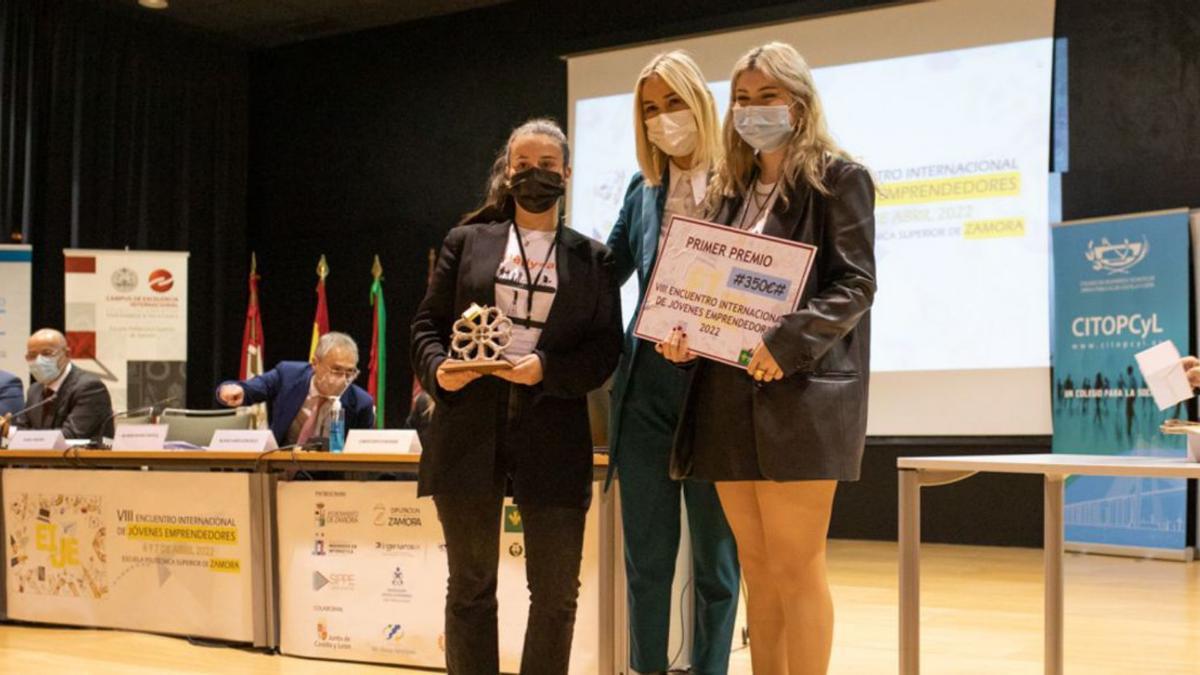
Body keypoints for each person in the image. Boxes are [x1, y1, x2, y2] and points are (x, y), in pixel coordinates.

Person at [660, 42, 876, 675]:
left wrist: (784, 344)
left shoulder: (840, 179)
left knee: (796, 567)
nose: (753, 111)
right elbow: (705, 291)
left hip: (801, 398)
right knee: (757, 570)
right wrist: (683, 337)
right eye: (742, 100)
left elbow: (855, 285)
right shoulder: (729, 191)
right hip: (727, 398)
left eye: (767, 97)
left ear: (799, 103)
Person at [410, 117, 622, 675]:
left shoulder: (594, 260)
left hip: (553, 434)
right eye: (523, 166)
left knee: (556, 596)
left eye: (547, 166)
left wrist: (546, 369)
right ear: (507, 173)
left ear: (568, 174)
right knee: (471, 587)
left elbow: (605, 351)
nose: (535, 176)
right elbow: (426, 328)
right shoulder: (466, 242)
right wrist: (439, 371)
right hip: (468, 431)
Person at [606, 50, 740, 675]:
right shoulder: (642, 190)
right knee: (648, 557)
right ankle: (647, 669)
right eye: (650, 110)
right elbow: (604, 270)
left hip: (715, 389)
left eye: (673, 103)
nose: (663, 120)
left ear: (702, 101)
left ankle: (710, 668)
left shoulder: (742, 182)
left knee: (715, 559)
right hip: (647, 392)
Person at [216, 331, 374, 447]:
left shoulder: (361, 403)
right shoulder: (288, 376)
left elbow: (364, 457)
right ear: (315, 364)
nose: (343, 380)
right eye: (336, 370)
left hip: (331, 481)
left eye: (350, 372)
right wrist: (234, 390)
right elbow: (250, 388)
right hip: (282, 472)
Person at [12, 328, 114, 439]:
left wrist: (10, 432)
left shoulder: (90, 388)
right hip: (39, 456)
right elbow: (22, 428)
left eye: (47, 353)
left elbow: (70, 435)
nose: (38, 361)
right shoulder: (34, 390)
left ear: (67, 354)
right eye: (32, 355)